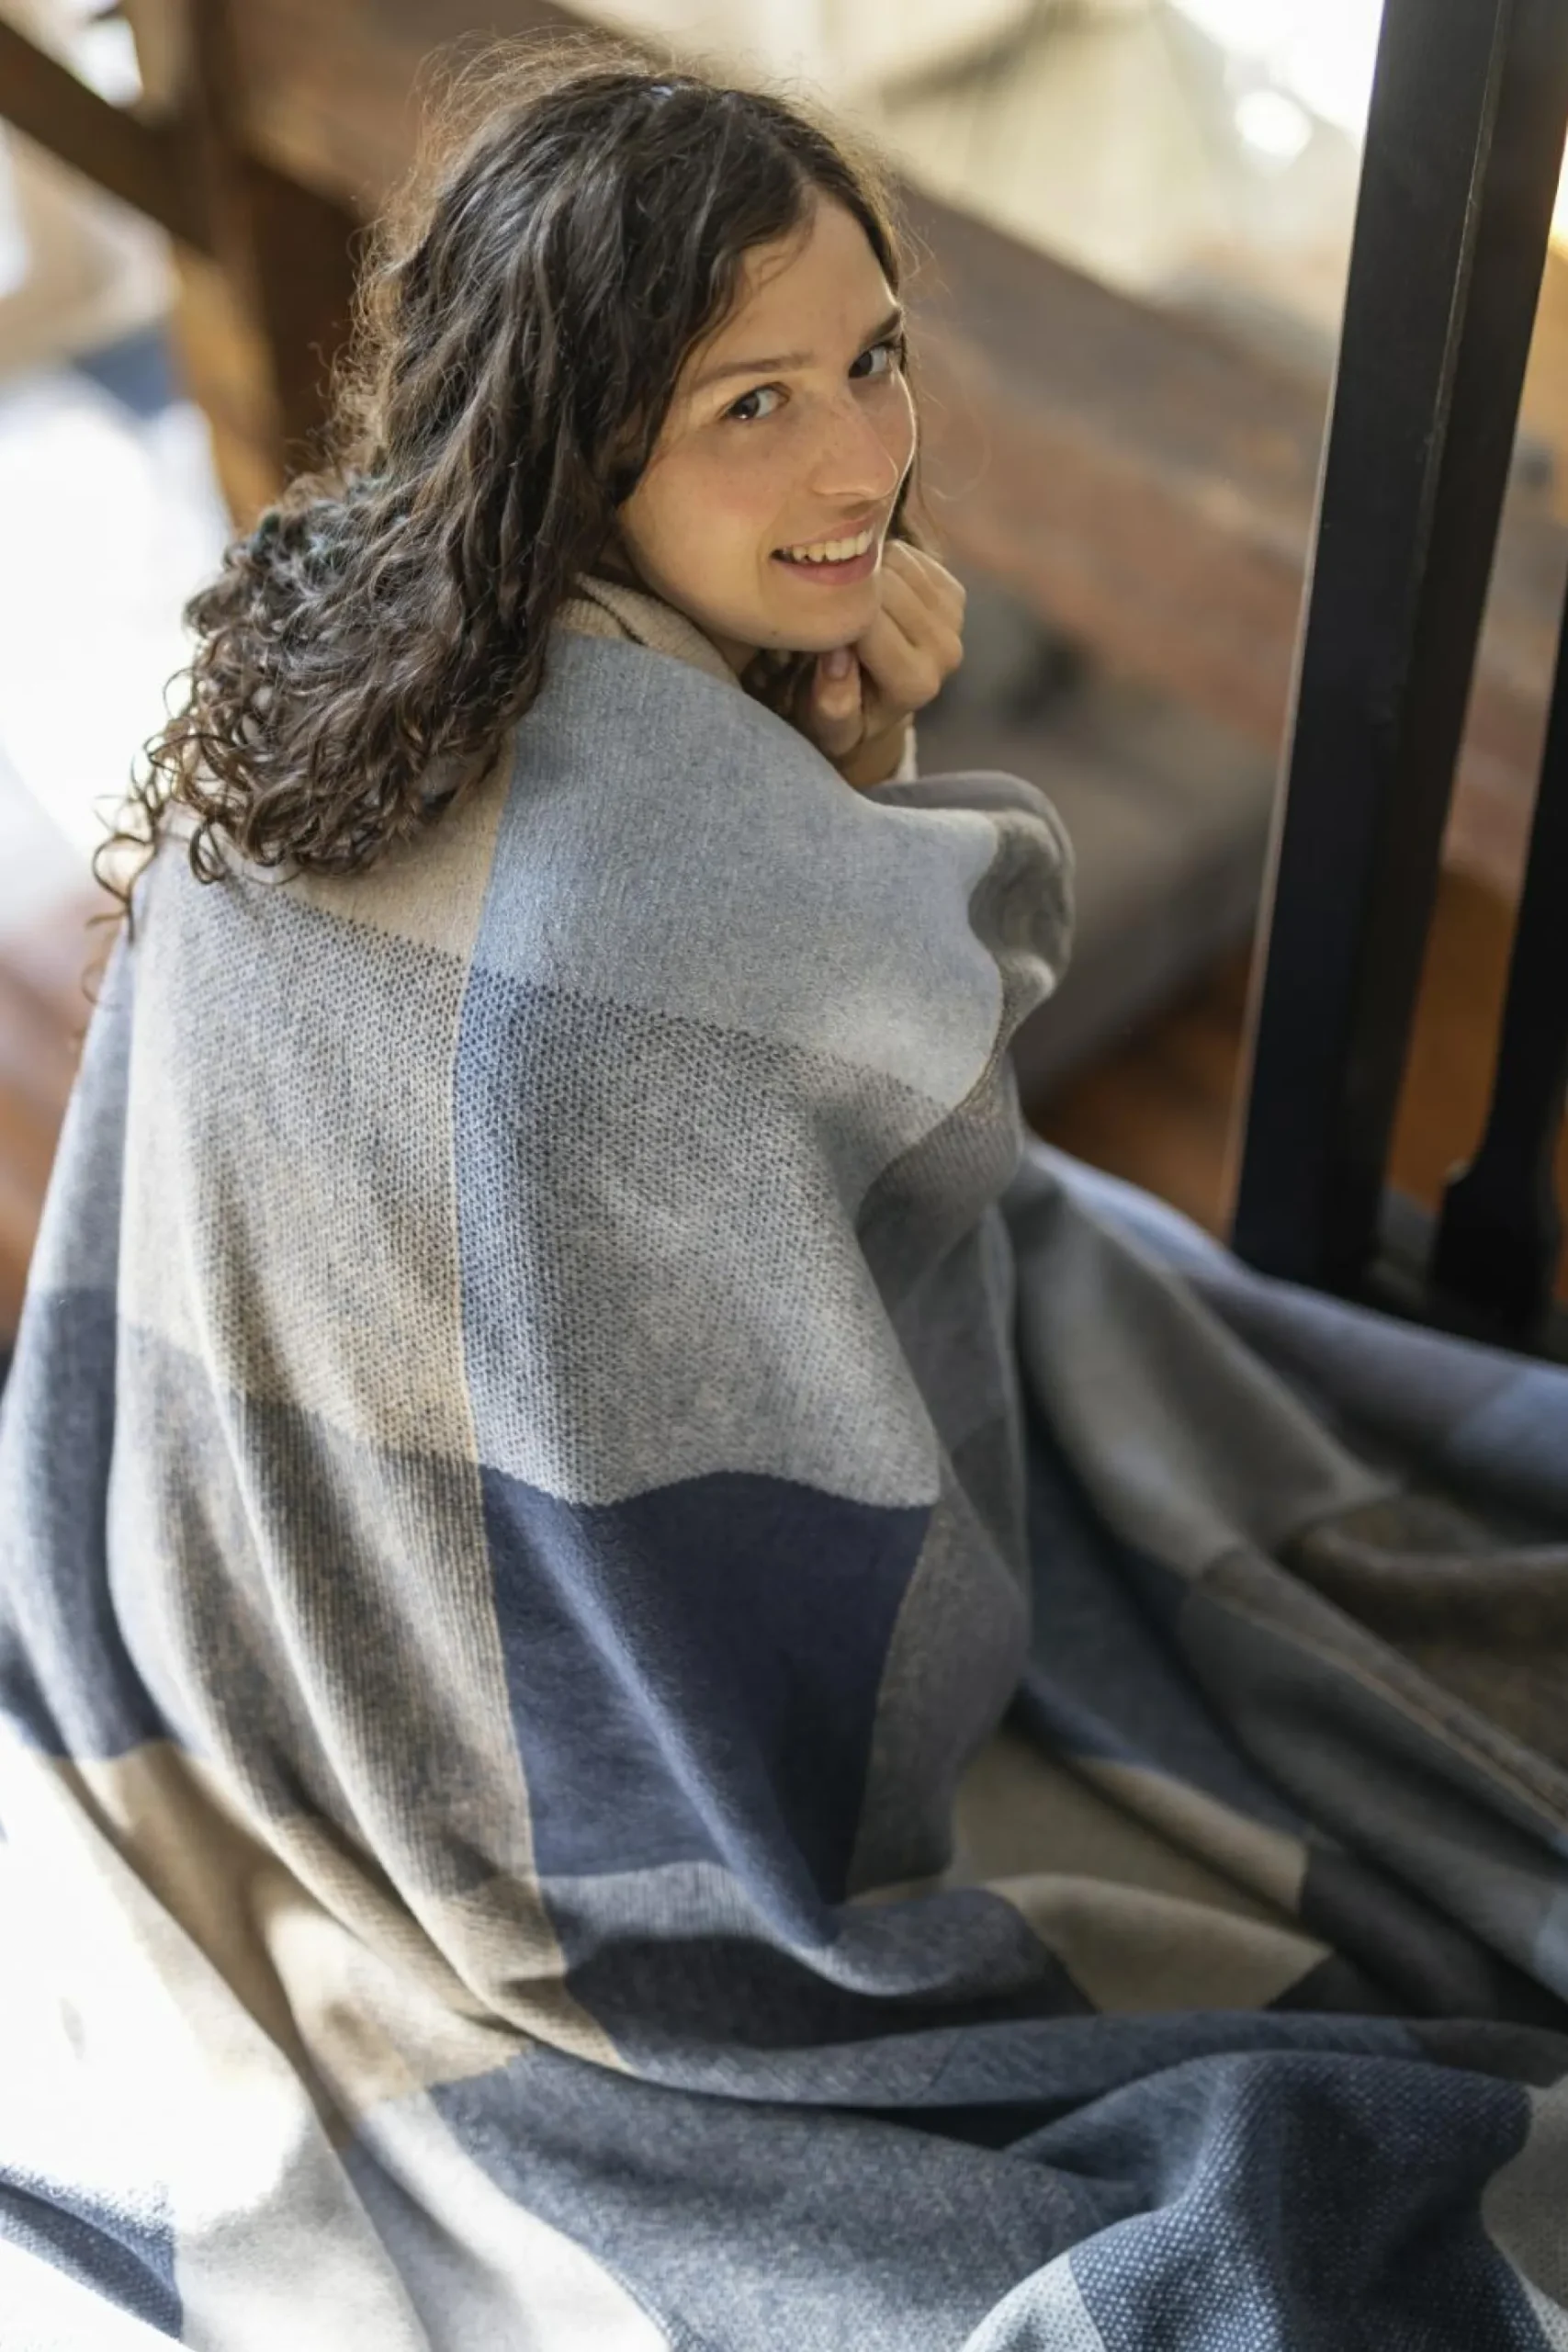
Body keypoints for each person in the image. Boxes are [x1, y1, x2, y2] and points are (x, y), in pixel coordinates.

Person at [3, 37, 1566, 2351]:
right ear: (580, 435)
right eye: (755, 402)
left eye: (874, 357)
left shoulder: (315, 618)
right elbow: (853, 1371)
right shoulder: (708, 930)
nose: (862, 456)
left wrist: (824, 754)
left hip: (205, 1609)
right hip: (562, 1829)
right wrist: (848, 810)